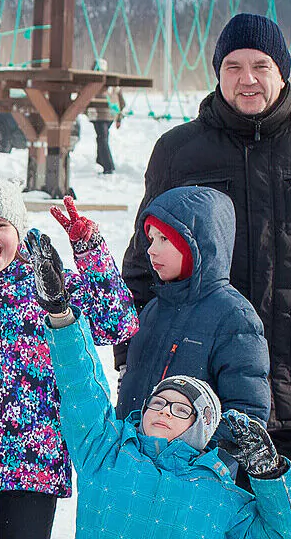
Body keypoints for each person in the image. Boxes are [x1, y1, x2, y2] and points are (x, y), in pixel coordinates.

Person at [119, 13, 291, 539]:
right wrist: (140, 354)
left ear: (283, 71)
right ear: (218, 73)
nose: (247, 78)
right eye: (233, 66)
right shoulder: (179, 150)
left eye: (261, 65)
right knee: (215, 524)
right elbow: (144, 265)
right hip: (205, 387)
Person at [26, 231, 291, 539]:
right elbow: (81, 388)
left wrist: (268, 473)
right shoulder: (106, 453)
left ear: (202, 427)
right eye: (157, 403)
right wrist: (60, 312)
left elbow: (278, 535)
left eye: (181, 409)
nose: (165, 412)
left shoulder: (222, 497)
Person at [0, 173, 138, 539]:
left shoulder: (46, 280)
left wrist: (89, 250)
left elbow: (118, 323)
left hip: (36, 460)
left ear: (17, 229)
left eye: (0, 224)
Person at [115, 186, 270, 437]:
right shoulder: (153, 310)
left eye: (164, 239)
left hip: (190, 471)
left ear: (198, 244)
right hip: (136, 467)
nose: (151, 249)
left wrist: (199, 466)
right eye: (151, 239)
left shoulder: (235, 318)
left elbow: (246, 415)